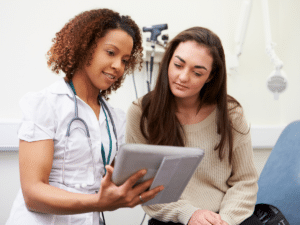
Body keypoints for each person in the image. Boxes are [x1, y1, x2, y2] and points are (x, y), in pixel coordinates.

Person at [6, 8, 163, 225]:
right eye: (111, 52)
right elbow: (33, 194)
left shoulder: (114, 119)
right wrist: (97, 202)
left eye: (125, 60)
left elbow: (112, 180)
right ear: (84, 47)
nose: (118, 66)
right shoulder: (45, 105)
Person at [125, 27, 259, 225]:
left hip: (226, 219)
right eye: (178, 65)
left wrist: (225, 220)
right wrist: (189, 214)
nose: (183, 77)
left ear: (211, 76)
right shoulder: (141, 112)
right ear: (168, 61)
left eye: (197, 72)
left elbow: (245, 181)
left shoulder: (231, 114)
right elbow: (144, 188)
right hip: (174, 218)